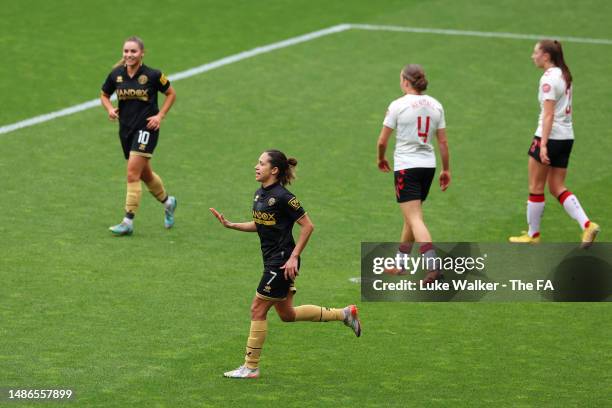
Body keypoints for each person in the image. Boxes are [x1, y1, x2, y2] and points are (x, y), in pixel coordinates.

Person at [210, 149, 361, 379]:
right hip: (273, 260)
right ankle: (344, 314)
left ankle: (251, 367)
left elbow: (308, 226)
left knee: (257, 308)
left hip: (282, 263)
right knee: (287, 314)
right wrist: (232, 225)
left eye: (261, 163)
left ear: (274, 170)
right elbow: (260, 224)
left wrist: (293, 257)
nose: (256, 167)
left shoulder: (284, 197)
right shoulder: (259, 194)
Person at [509, 40, 599, 247]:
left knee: (535, 186)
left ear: (546, 56)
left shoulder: (548, 79)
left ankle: (533, 235)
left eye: (536, 53)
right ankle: (587, 224)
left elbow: (548, 115)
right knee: (557, 186)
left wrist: (543, 145)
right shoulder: (564, 74)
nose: (533, 56)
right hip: (567, 136)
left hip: (549, 137)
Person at [376, 64, 450, 282]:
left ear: (406, 81)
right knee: (411, 217)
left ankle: (433, 265)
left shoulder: (398, 105)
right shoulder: (436, 105)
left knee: (415, 218)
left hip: (407, 167)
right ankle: (400, 263)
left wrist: (381, 158)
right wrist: (446, 169)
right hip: (428, 166)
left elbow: (382, 141)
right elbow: (443, 142)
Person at [100, 36, 177, 236]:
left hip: (147, 129)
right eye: (126, 51)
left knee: (132, 173)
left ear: (142, 53)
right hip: (126, 129)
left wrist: (160, 116)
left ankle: (128, 221)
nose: (129, 55)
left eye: (133, 51)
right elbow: (104, 94)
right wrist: (109, 109)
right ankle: (168, 202)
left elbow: (171, 93)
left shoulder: (153, 75)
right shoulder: (116, 74)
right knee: (145, 174)